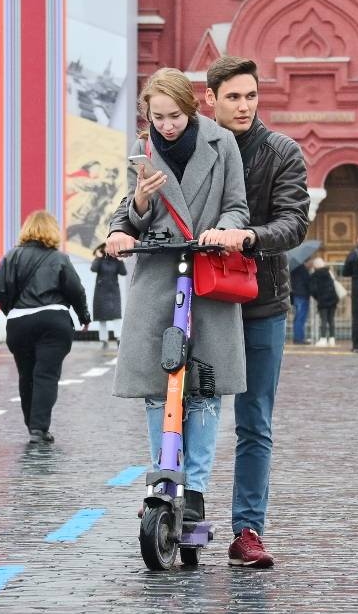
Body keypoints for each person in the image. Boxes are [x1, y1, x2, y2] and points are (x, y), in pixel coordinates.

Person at [106, 67, 251, 544]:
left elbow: (237, 205)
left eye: (173, 116)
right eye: (157, 118)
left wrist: (224, 230)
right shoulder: (143, 152)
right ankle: (164, 474)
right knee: (156, 383)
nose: (166, 126)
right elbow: (128, 215)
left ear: (190, 110)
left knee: (205, 387)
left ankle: (197, 489)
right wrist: (137, 213)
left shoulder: (221, 144)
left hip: (206, 274)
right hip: (159, 277)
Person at [195, 55, 306, 568]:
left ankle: (247, 530)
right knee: (194, 408)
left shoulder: (282, 151)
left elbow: (293, 222)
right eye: (233, 97)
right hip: (203, 299)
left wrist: (249, 236)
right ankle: (185, 516)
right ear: (210, 99)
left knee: (254, 419)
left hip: (261, 301)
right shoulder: (192, 147)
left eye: (251, 96)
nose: (244, 106)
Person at [0, 210, 90, 443]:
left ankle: (32, 426)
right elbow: (75, 290)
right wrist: (83, 315)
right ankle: (39, 428)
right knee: (46, 375)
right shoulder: (59, 258)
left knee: (26, 375)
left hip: (19, 322)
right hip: (53, 321)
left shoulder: (11, 257)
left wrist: (13, 311)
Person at [89, 242, 126, 346]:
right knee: (102, 318)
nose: (108, 249)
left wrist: (121, 261)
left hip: (113, 292)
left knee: (116, 316)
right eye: (106, 247)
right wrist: (97, 258)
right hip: (101, 293)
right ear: (102, 248)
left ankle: (119, 338)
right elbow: (93, 269)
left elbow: (123, 272)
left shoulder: (116, 260)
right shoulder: (100, 260)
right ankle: (103, 340)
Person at [308, 256, 339, 345]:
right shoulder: (329, 272)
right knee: (331, 319)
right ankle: (332, 339)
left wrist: (317, 297)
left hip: (322, 300)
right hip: (333, 299)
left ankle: (323, 338)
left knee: (324, 320)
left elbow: (313, 289)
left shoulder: (315, 275)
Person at [289, 260, 311, 345]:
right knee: (300, 318)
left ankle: (297, 338)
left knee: (298, 318)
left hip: (296, 295)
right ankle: (299, 339)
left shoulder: (294, 268)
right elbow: (307, 281)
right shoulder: (302, 269)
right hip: (302, 295)